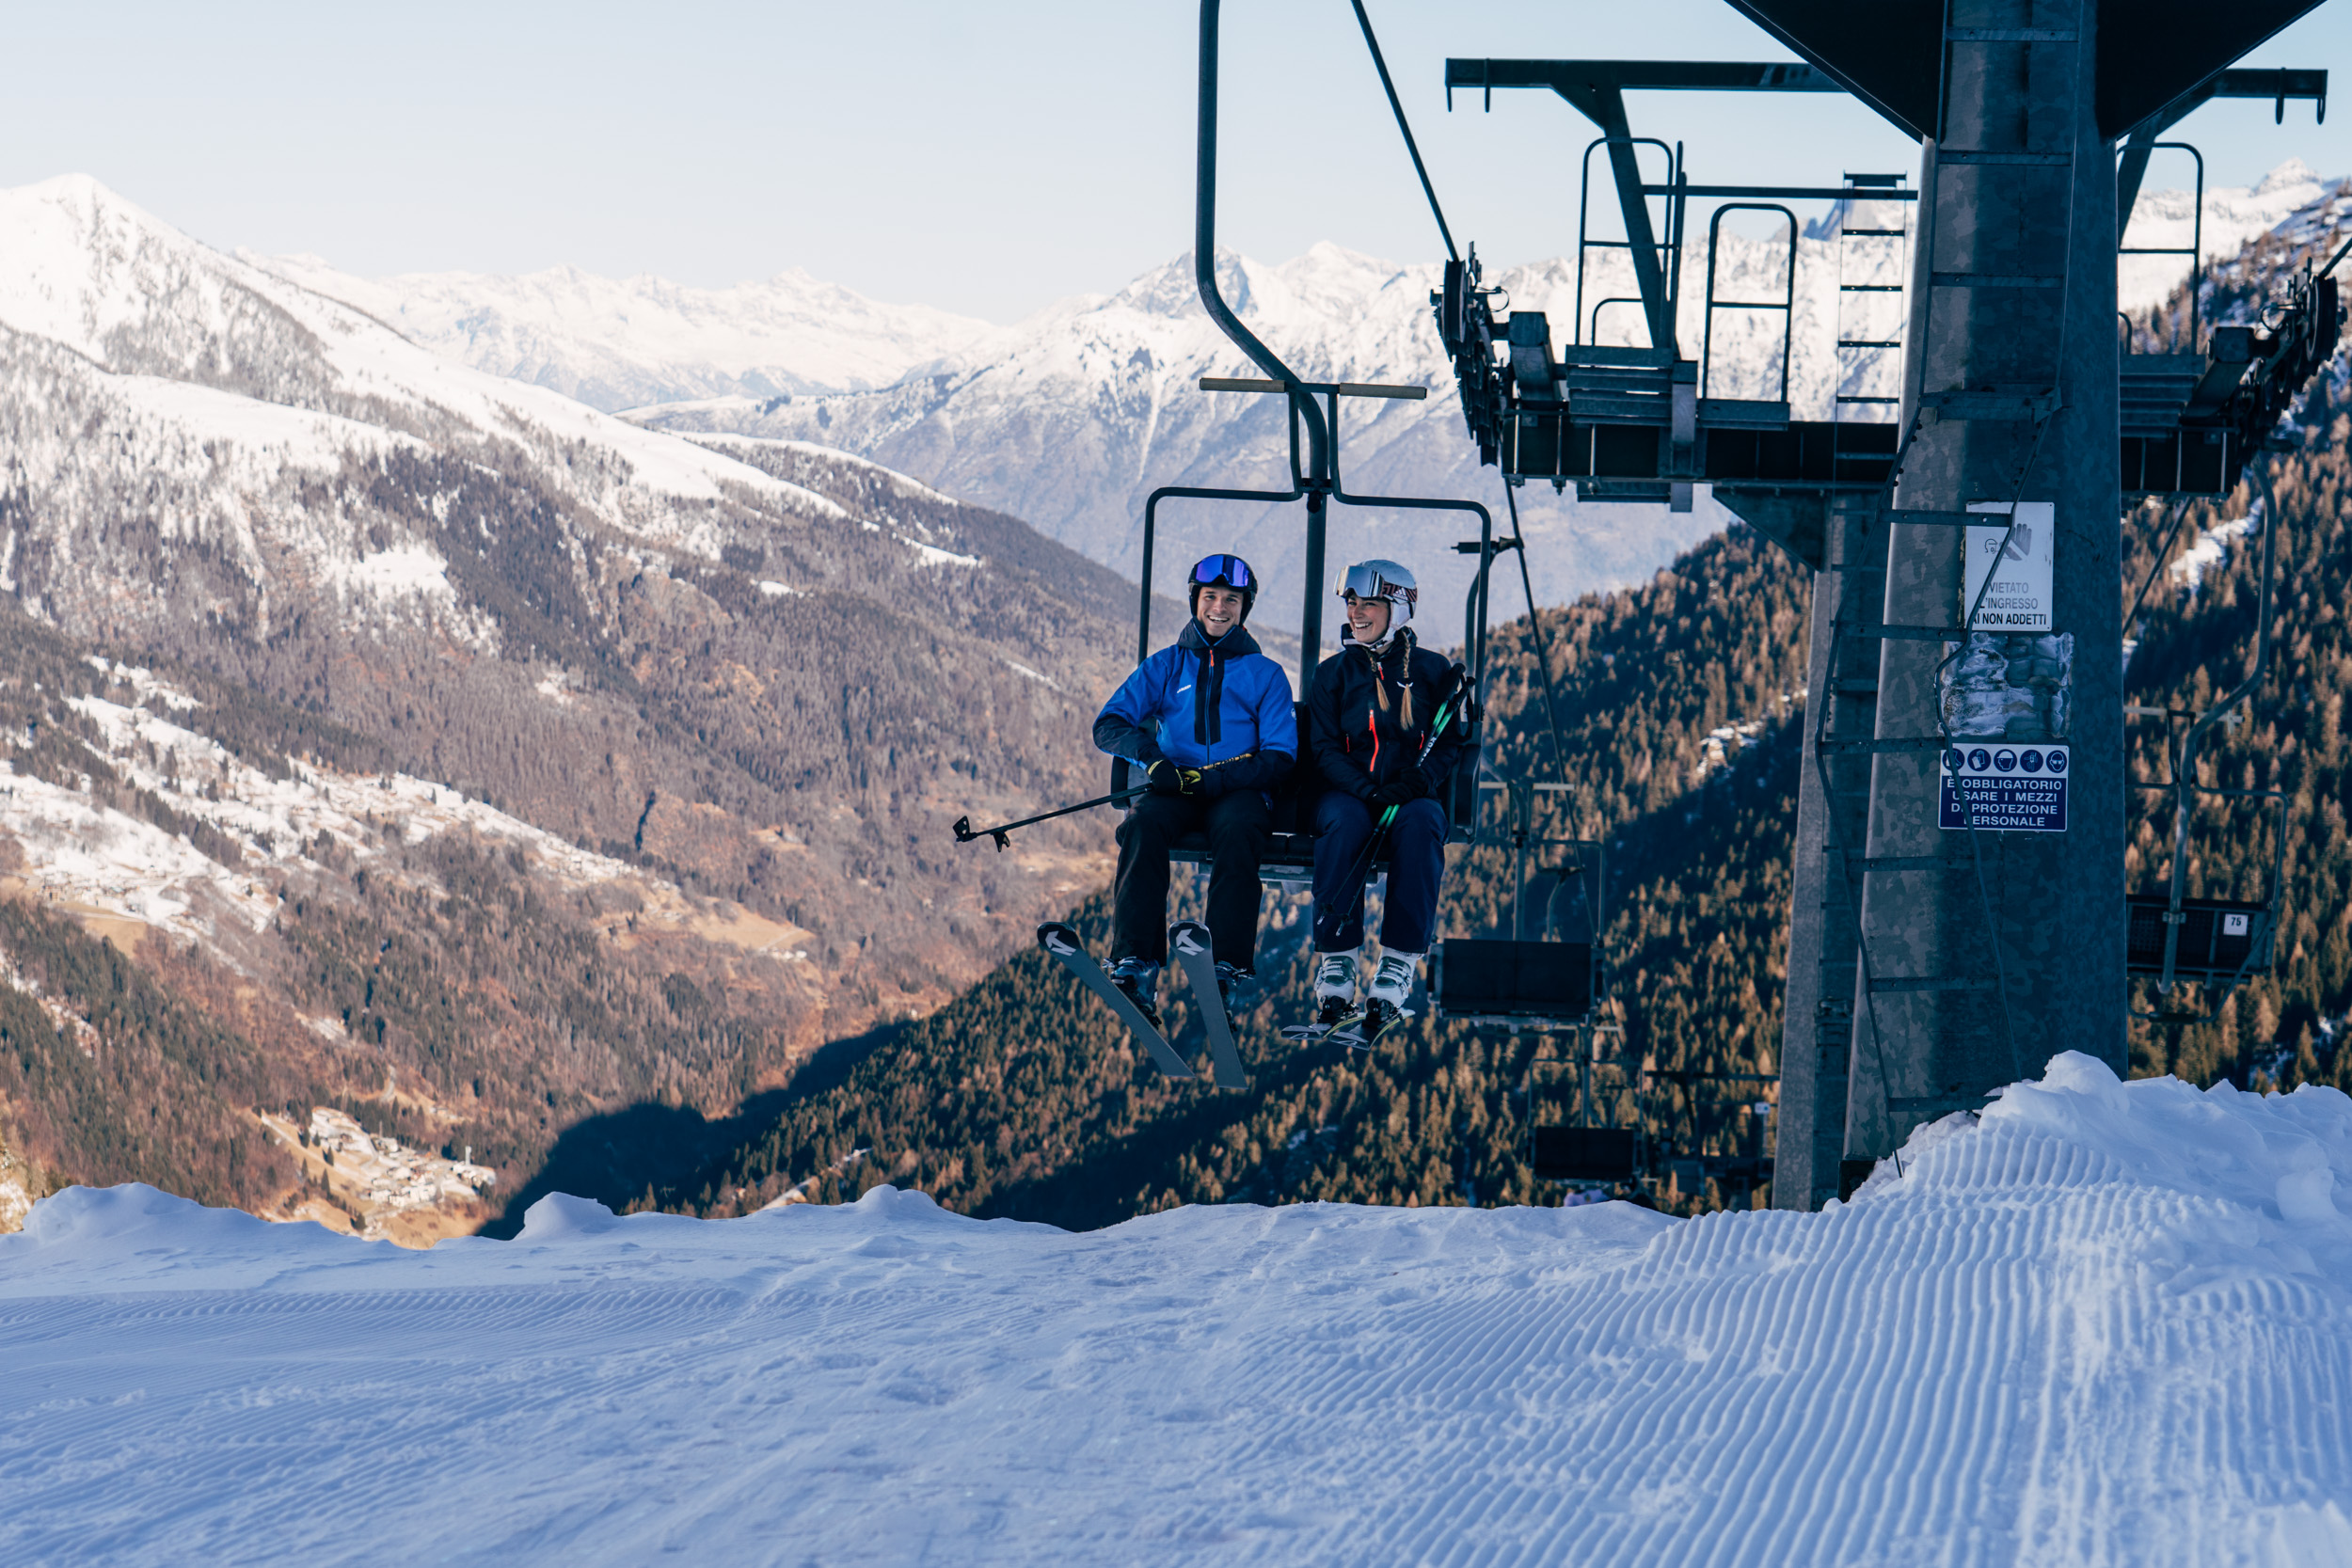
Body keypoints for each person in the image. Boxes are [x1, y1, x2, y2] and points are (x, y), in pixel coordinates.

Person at [1091, 553, 1297, 1023]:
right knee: (1142, 826)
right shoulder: (1166, 666)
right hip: (1175, 783)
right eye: (1210, 597)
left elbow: (1280, 755)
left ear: (1245, 607)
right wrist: (1152, 760)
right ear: (1194, 601)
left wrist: (1221, 779)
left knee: (1240, 832)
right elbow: (1110, 724)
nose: (1219, 608)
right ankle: (1136, 960)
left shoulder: (1264, 675)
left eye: (1231, 599)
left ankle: (1226, 964)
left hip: (1239, 791)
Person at [1306, 558, 1472, 1034]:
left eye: (1370, 603)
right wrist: (1367, 789)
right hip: (1347, 793)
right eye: (1351, 601)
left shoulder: (1431, 671)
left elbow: (1448, 746)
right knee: (1345, 824)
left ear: (1397, 609)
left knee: (1423, 824)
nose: (1356, 611)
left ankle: (1399, 959)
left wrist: (1418, 783)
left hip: (1410, 796)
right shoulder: (1332, 674)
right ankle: (1338, 958)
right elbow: (1322, 748)